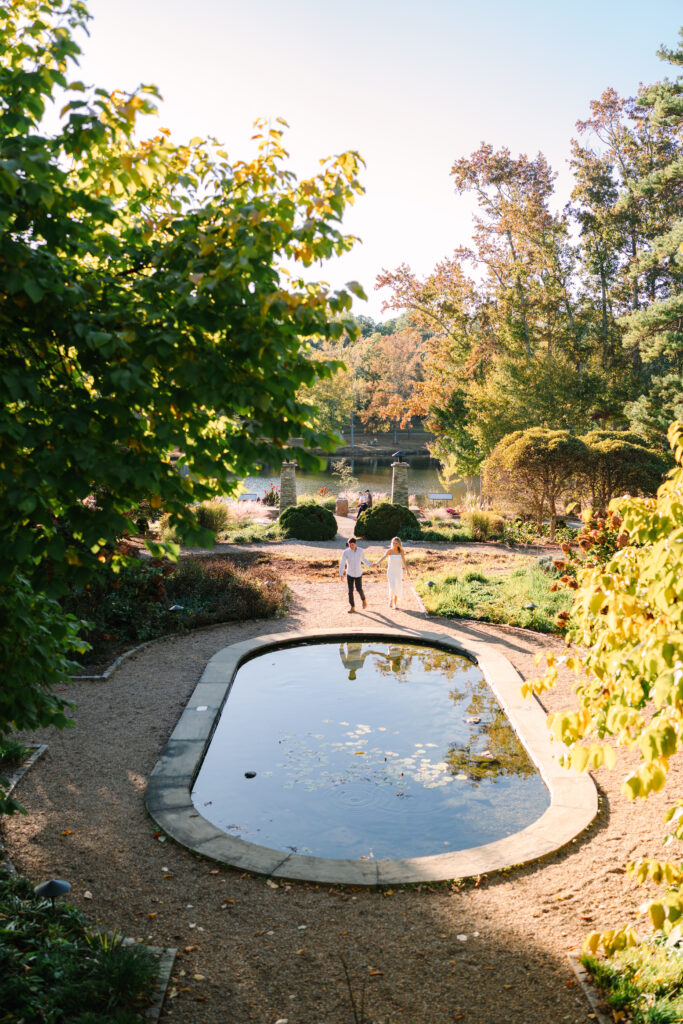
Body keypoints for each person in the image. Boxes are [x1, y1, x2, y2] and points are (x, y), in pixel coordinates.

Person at [374, 535, 408, 609]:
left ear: (399, 544)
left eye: (396, 543)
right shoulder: (389, 551)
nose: (394, 544)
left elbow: (404, 561)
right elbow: (383, 557)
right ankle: (391, 599)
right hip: (391, 571)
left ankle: (395, 604)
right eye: (393, 543)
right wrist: (376, 563)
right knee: (392, 586)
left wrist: (407, 570)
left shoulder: (401, 551)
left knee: (397, 586)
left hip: (398, 571)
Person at [339, 536, 371, 613]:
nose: (351, 546)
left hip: (358, 573)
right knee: (350, 591)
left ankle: (364, 600)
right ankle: (352, 606)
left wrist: (370, 564)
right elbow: (342, 563)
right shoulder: (346, 552)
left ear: (355, 543)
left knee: (359, 589)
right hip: (349, 573)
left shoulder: (360, 551)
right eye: (349, 545)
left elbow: (364, 559)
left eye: (352, 545)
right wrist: (341, 574)